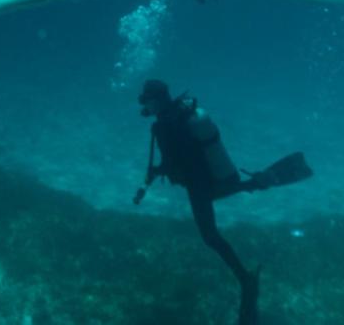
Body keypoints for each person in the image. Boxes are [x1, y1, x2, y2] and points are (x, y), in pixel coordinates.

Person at [133, 79, 312, 325]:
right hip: (216, 178)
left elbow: (179, 160)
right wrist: (162, 170)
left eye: (147, 101)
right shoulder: (181, 116)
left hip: (199, 185)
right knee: (224, 204)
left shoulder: (165, 127)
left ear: (155, 100)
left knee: (210, 236)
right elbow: (188, 154)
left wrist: (161, 170)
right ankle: (259, 181)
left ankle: (245, 278)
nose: (146, 106)